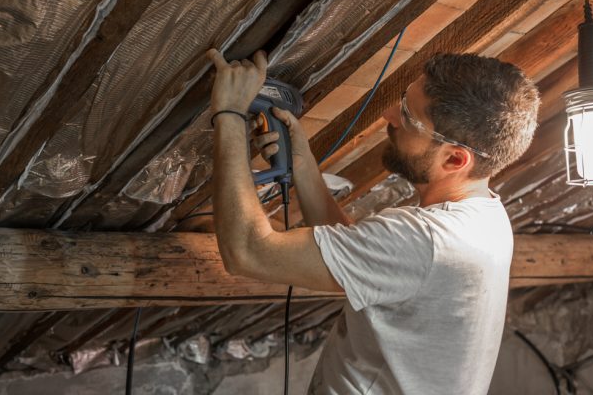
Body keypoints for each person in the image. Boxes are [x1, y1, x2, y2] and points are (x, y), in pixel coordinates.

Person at [208, 47, 540, 395]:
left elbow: (247, 251)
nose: (389, 114)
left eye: (409, 118)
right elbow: (361, 256)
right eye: (402, 101)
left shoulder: (425, 240)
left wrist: (229, 112)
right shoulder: (485, 218)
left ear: (455, 159)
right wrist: (303, 165)